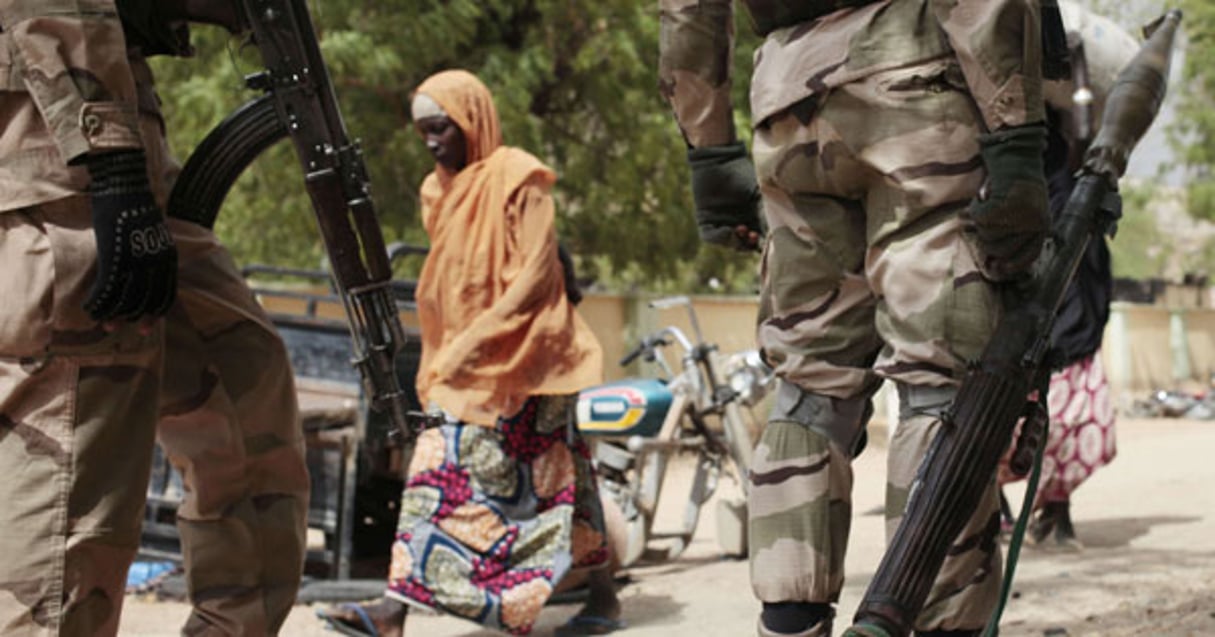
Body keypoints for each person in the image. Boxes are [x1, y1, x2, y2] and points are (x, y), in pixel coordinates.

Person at [658, 1, 1049, 636]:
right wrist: (1016, 140)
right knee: (940, 383)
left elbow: (687, 8)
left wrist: (708, 151)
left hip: (789, 103)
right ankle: (938, 625)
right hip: (914, 81)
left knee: (809, 390)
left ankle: (788, 624)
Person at [0, 1, 310, 634]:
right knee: (69, 506)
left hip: (127, 147)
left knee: (244, 383)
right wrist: (110, 161)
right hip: (58, 155)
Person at [315, 69, 622, 637]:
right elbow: (453, 284)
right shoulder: (439, 191)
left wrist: (473, 343)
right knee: (435, 467)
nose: (432, 143)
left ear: (473, 121)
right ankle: (393, 609)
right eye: (424, 133)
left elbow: (533, 278)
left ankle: (603, 601)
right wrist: (450, 351)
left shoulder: (519, 178)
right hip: (466, 364)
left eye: (441, 129)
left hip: (535, 359)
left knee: (565, 480)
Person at [997, 2, 1137, 552]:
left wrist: (1076, 62)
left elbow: (1088, 126)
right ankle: (996, 510)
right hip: (1015, 271)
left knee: (1076, 405)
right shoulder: (1001, 137)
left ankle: (1055, 510)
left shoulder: (1070, 133)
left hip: (1072, 274)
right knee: (997, 397)